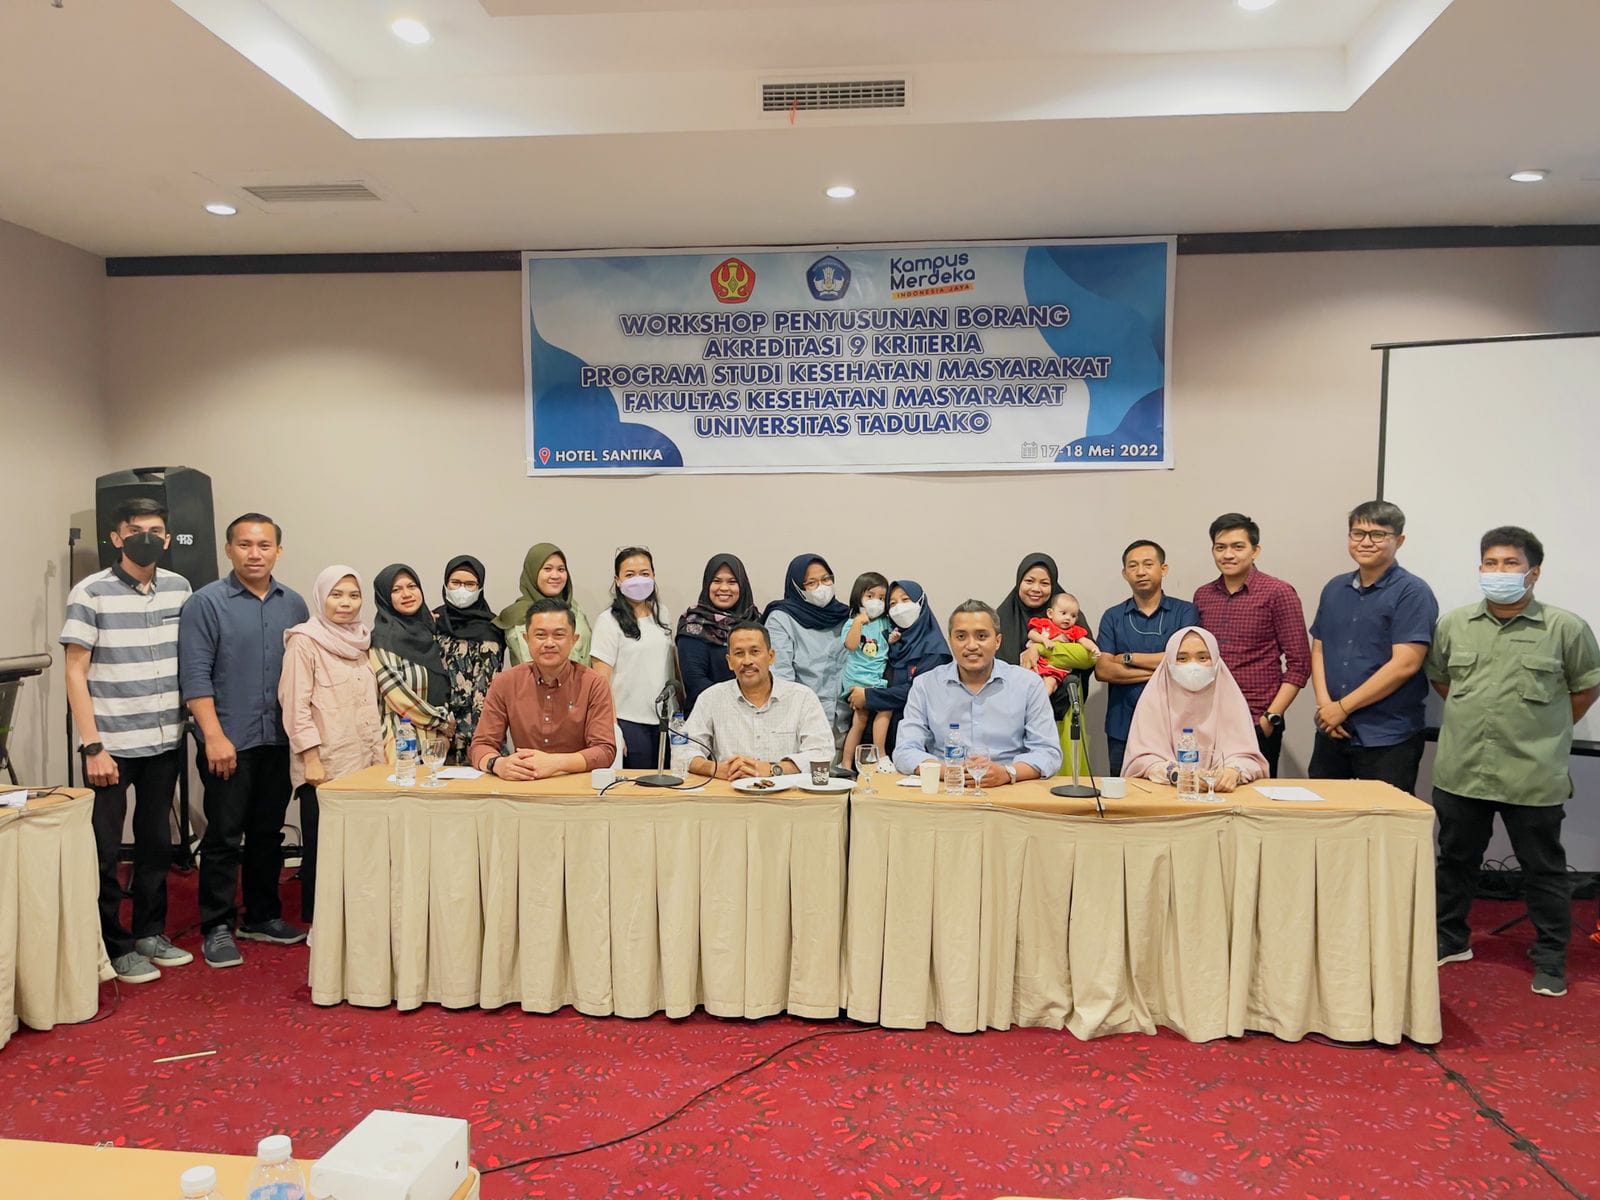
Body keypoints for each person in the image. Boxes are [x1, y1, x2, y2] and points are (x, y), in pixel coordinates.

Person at [1427, 526, 1600, 998]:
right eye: (1491, 563)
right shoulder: (1454, 624)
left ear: (1533, 572)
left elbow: (1585, 688)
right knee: (1455, 862)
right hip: (1463, 770)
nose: (1498, 572)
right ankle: (1450, 939)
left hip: (1533, 774)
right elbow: (1442, 680)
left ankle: (1550, 957)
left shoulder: (1565, 628)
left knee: (1543, 870)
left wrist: (1545, 728)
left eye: (1510, 563)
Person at [60, 498, 193, 985]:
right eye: (135, 530)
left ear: (167, 538)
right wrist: (92, 745)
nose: (146, 538)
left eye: (155, 530)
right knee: (105, 850)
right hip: (110, 746)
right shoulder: (90, 592)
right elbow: (75, 671)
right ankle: (112, 945)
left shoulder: (179, 588)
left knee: (157, 843)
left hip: (164, 741)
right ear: (117, 538)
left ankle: (150, 933)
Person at [178, 512, 310, 968]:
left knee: (267, 833)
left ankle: (262, 915)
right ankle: (217, 925)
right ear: (229, 549)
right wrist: (213, 736)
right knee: (223, 835)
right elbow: (195, 675)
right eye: (245, 545)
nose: (255, 554)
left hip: (278, 739)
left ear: (278, 551)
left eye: (264, 545)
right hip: (228, 740)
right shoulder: (205, 603)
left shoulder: (294, 605)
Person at [1307, 502, 1439, 792]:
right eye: (1358, 533)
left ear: (1399, 540)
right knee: (1323, 813)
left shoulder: (1413, 592)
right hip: (1332, 729)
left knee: (1383, 817)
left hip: (1388, 735)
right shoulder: (1334, 588)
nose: (1365, 542)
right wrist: (1326, 706)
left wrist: (1343, 707)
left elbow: (1405, 664)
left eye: (1378, 534)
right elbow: (1319, 647)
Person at [278, 566, 384, 924]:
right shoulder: (304, 641)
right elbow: (295, 705)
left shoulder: (361, 641)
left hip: (363, 762)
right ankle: (321, 923)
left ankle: (356, 918)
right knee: (324, 848)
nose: (345, 603)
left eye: (353, 595)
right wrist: (311, 759)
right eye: (336, 595)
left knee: (359, 847)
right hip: (325, 765)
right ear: (321, 597)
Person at [891, 600, 1062, 783]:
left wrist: (1007, 773)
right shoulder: (925, 685)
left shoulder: (1028, 684)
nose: (971, 645)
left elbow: (1048, 752)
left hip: (1009, 788)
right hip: (946, 788)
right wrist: (949, 771)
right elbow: (905, 750)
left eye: (981, 636)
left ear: (997, 641)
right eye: (961, 636)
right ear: (950, 641)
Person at [1193, 513, 1311, 776]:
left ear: (1255, 550)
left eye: (1238, 547)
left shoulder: (1278, 592)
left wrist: (1271, 717)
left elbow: (1300, 664)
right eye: (1220, 547)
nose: (1228, 555)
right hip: (1211, 718)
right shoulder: (1203, 595)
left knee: (1255, 794)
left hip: (1256, 718)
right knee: (1209, 790)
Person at [469, 598, 618, 779]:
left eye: (559, 635)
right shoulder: (505, 682)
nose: (549, 643)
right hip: (523, 782)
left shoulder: (594, 684)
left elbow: (604, 751)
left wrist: (555, 763)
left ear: (574, 640)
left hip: (576, 784)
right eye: (540, 635)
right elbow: (481, 745)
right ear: (526, 639)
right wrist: (498, 764)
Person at [1093, 540, 1202, 776]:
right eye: (1133, 566)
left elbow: (1186, 662)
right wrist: (1164, 668)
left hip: (1175, 725)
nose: (1140, 572)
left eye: (1148, 564)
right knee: (1123, 793)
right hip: (1123, 724)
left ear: (1163, 569)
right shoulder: (1113, 616)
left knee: (1178, 788)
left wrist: (1128, 658)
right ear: (1125, 574)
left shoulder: (1185, 611)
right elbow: (1103, 670)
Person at [1122, 626, 1269, 790]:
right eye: (1182, 658)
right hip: (1166, 795)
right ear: (1168, 661)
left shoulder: (1231, 698)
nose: (1193, 666)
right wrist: (1177, 774)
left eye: (1203, 657)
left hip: (1222, 796)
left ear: (1216, 660)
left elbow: (1249, 758)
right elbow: (1140, 760)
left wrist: (1233, 771)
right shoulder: (1153, 699)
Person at [682, 622, 835, 779]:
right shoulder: (711, 698)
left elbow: (822, 752)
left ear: (771, 657)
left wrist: (774, 769)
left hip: (787, 792)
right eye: (739, 653)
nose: (747, 661)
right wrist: (715, 769)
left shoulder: (802, 697)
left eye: (755, 652)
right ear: (729, 661)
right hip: (729, 790)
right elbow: (683, 750)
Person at [590, 546, 676, 770]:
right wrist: (612, 729)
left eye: (644, 573)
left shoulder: (662, 612)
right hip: (629, 722)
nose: (638, 580)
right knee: (637, 786)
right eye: (630, 575)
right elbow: (600, 682)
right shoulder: (607, 621)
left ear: (654, 575)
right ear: (617, 580)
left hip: (665, 721)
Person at [848, 580, 952, 749]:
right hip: (876, 739)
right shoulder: (890, 642)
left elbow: (917, 691)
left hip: (916, 742)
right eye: (892, 603)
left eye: (905, 600)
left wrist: (869, 696)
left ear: (921, 603)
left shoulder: (935, 651)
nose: (899, 608)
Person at [370, 564, 455, 761]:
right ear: (385, 597)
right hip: (402, 744)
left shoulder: (431, 632)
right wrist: (442, 722)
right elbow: (398, 695)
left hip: (435, 744)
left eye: (412, 586)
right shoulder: (382, 639)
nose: (406, 594)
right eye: (396, 590)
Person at [764, 554, 850, 732]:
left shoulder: (845, 616)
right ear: (797, 587)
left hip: (847, 721)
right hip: (802, 723)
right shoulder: (781, 618)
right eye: (811, 583)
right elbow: (781, 677)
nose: (822, 587)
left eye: (826, 579)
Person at [433, 555, 506, 763]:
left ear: (480, 588)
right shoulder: (433, 621)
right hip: (436, 729)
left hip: (477, 732)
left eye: (470, 584)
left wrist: (479, 742)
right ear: (445, 584)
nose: (461, 589)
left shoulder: (492, 627)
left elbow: (488, 689)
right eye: (455, 583)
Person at [676, 554, 759, 714]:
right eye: (717, 581)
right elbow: (696, 683)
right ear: (707, 584)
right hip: (709, 715)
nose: (724, 588)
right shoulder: (694, 625)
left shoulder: (755, 620)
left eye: (732, 582)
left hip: (755, 712)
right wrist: (741, 705)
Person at [496, 542, 592, 667]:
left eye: (561, 569)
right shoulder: (519, 615)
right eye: (547, 569)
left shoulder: (574, 607)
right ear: (533, 572)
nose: (555, 576)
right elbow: (535, 665)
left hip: (584, 678)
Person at [840, 571, 896, 769]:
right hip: (857, 679)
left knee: (874, 713)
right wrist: (858, 622)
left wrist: (893, 639)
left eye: (881, 598)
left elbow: (885, 644)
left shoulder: (884, 622)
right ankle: (851, 762)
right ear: (859, 597)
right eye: (870, 596)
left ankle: (874, 756)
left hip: (876, 677)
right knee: (869, 715)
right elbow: (851, 645)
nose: (876, 602)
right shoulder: (852, 622)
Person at [1026, 591, 1101, 682]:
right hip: (1037, 662)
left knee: (1051, 683)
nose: (1068, 618)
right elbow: (1031, 634)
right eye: (1063, 613)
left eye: (1073, 616)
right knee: (1029, 680)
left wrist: (1094, 648)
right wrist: (1044, 640)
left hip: (1055, 668)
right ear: (1050, 613)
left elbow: (1084, 640)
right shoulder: (1044, 624)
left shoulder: (1074, 630)